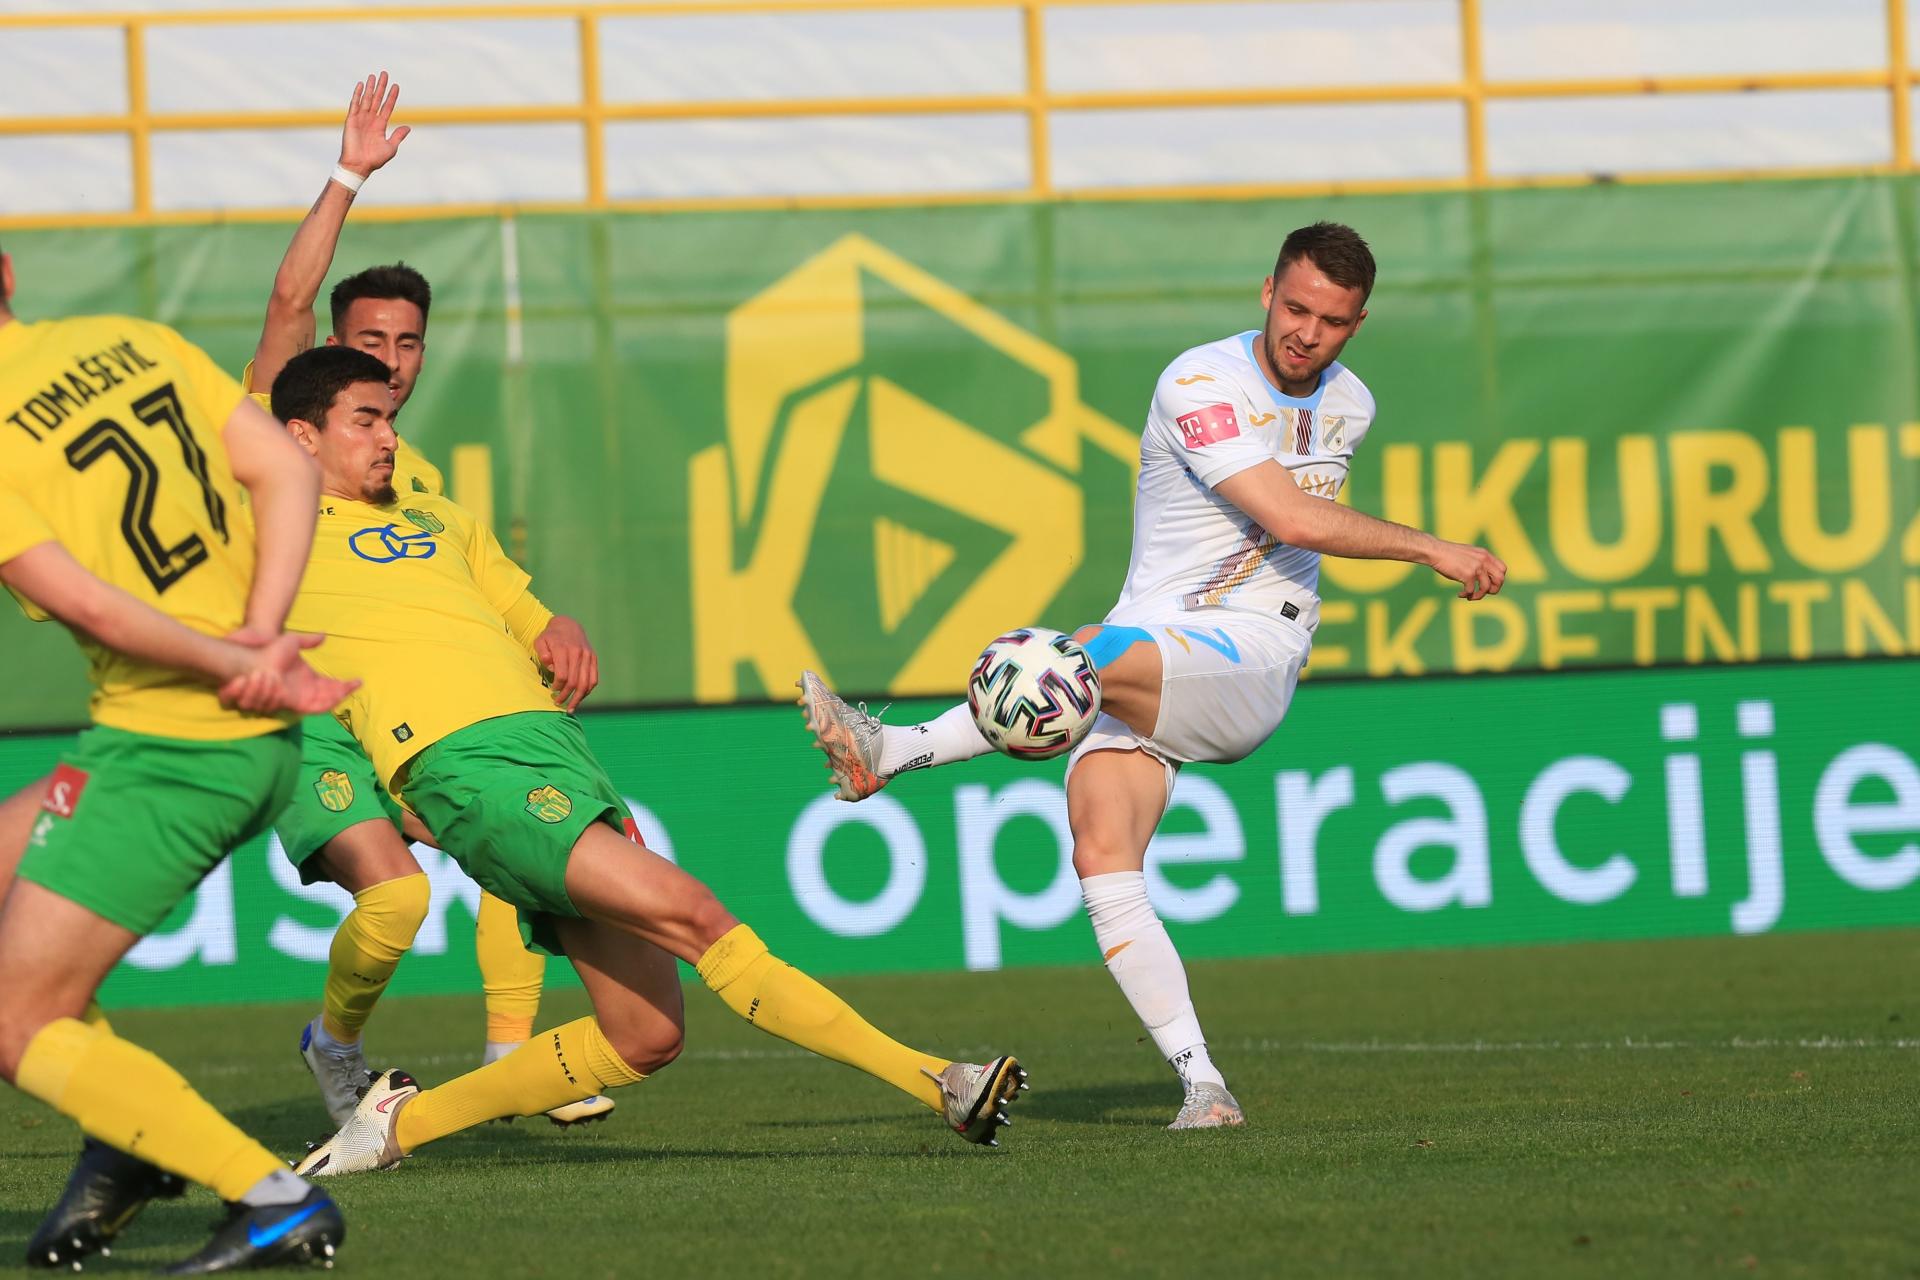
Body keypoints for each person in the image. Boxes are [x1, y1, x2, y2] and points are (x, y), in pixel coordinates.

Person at [798, 222, 1508, 1129]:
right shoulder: (1200, 382)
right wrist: (1434, 547)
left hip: (1252, 656)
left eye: (1330, 320)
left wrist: (1427, 551)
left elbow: (1289, 527)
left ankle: (891, 750)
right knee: (1101, 856)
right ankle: (1203, 1086)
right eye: (1294, 307)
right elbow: (1287, 515)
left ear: (1357, 323)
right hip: (1159, 662)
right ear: (1266, 291)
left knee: (1084, 650)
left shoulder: (1351, 404)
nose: (1306, 332)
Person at [267, 347, 1024, 1174]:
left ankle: (391, 1130)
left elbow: (528, 612)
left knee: (646, 1034)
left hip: (558, 753)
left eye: (392, 420)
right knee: (699, 916)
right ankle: (941, 1081)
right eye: (365, 421)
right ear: (301, 437)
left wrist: (559, 626)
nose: (388, 437)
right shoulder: (276, 529)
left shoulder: (437, 519)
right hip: (468, 766)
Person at [242, 72, 610, 1128]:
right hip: (310, 718)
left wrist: (545, 626)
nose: (390, 366)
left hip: (395, 715)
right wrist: (349, 173)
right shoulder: (279, 433)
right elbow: (285, 307)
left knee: (511, 838)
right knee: (398, 898)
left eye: (406, 345)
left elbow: (476, 581)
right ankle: (338, 1045)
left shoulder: (410, 477)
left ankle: (512, 1053)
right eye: (370, 344)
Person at [0, 244, 361, 1271]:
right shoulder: (131, 341)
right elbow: (286, 467)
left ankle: (272, 1195)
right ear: (12, 275)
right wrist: (258, 635)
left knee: (17, 1020)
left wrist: (229, 659)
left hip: (175, 740)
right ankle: (122, 1130)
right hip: (223, 724)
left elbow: (87, 603)